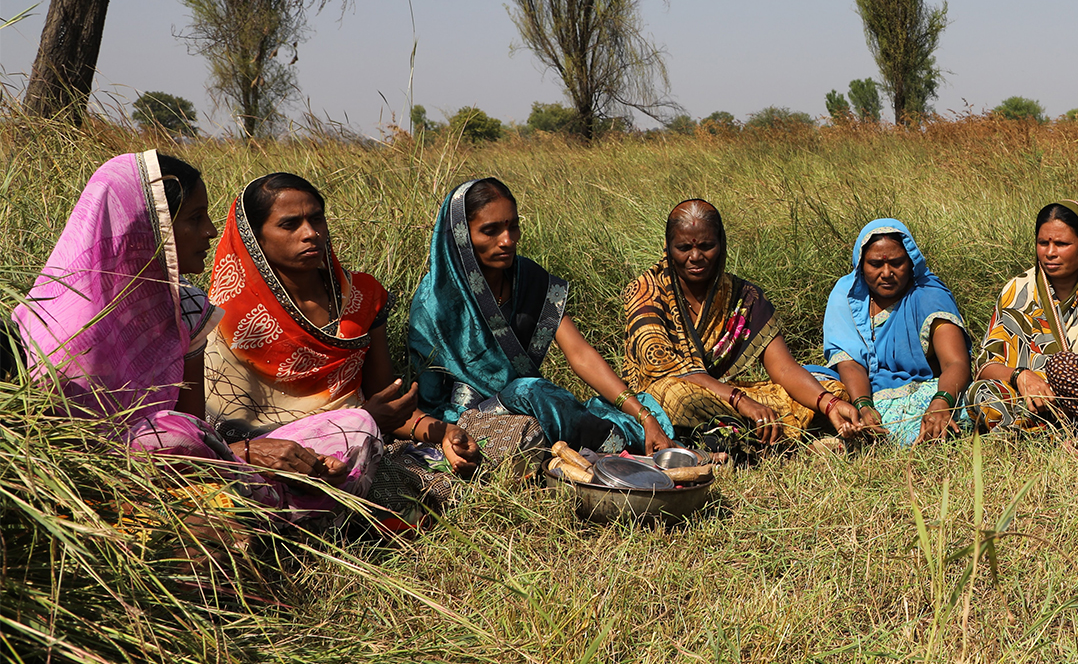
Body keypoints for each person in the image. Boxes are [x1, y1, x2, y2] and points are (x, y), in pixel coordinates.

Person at [11, 151, 377, 523]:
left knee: (355, 428)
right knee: (171, 438)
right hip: (115, 487)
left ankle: (264, 511)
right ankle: (270, 514)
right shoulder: (58, 326)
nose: (210, 231)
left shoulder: (186, 306)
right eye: (194, 218)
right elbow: (72, 457)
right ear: (147, 228)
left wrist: (253, 454)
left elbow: (197, 429)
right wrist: (247, 454)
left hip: (207, 467)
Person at [203, 174, 479, 490]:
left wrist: (442, 432)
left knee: (513, 431)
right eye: (290, 225)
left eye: (316, 219)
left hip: (359, 440)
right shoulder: (226, 316)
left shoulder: (360, 296)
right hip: (271, 460)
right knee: (369, 447)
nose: (311, 233)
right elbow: (221, 432)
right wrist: (363, 420)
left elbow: (385, 402)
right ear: (256, 237)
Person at [407, 177, 673, 474]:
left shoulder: (529, 279)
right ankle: (617, 447)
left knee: (642, 407)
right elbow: (430, 399)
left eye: (513, 227)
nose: (507, 240)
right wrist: (450, 432)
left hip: (527, 404)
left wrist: (644, 416)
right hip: (465, 419)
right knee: (532, 393)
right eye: (490, 231)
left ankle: (636, 439)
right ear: (460, 235)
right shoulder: (433, 303)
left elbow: (580, 353)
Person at [622, 199, 863, 451]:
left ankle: (743, 439)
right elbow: (666, 370)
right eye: (683, 248)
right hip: (663, 397)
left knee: (830, 389)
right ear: (668, 248)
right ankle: (764, 442)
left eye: (707, 246)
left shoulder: (742, 297)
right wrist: (740, 401)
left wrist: (830, 403)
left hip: (720, 397)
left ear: (722, 245)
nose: (695, 257)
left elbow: (783, 369)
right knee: (679, 398)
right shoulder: (646, 291)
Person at [970, 200, 1078, 437]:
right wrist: (1021, 376)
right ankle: (1061, 430)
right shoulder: (1017, 290)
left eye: (1061, 244)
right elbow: (985, 365)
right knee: (983, 392)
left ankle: (1061, 428)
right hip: (1028, 398)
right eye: (1043, 243)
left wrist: (1066, 379)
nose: (1050, 253)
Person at [805, 219, 970, 447]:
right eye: (875, 264)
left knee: (976, 400)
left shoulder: (929, 295)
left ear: (911, 261)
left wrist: (942, 401)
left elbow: (956, 363)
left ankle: (852, 440)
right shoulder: (846, 294)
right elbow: (850, 363)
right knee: (807, 384)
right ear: (861, 265)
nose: (886, 273)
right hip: (856, 391)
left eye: (896, 263)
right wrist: (863, 405)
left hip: (920, 392)